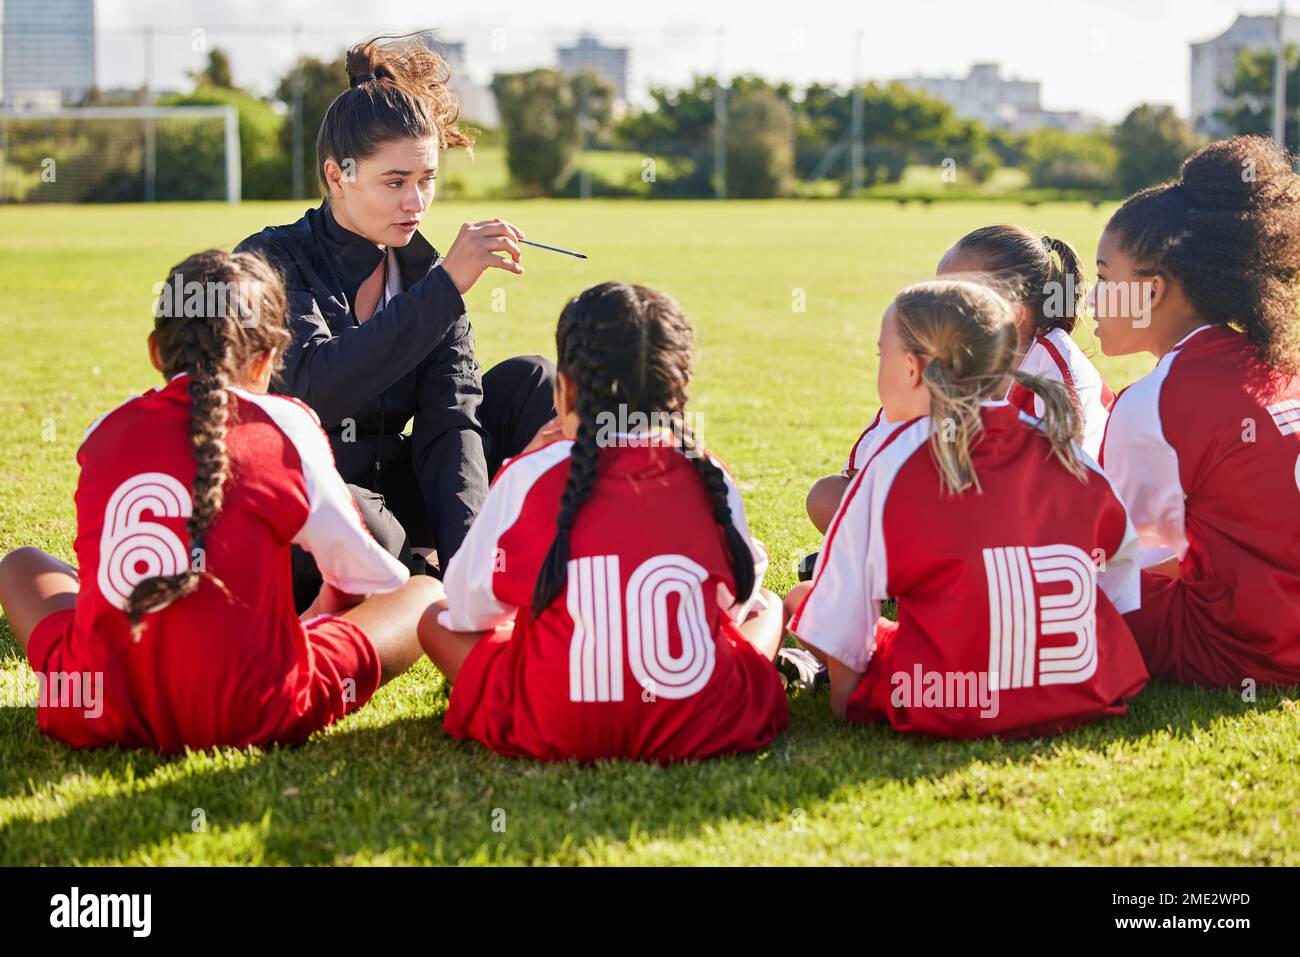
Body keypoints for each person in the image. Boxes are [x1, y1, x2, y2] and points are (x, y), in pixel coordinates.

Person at [0, 249, 442, 752]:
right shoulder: (287, 425)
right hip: (252, 710)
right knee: (422, 594)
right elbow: (365, 580)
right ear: (268, 359)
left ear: (155, 352)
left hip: (95, 706)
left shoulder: (104, 430)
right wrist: (306, 626)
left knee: (20, 565)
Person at [234, 34, 555, 609]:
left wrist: (469, 571)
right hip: (309, 496)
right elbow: (312, 390)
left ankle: (515, 562)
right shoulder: (271, 260)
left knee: (532, 382)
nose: (416, 202)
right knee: (366, 533)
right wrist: (443, 291)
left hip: (396, 487)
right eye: (395, 182)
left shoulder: (423, 269)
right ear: (338, 175)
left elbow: (450, 423)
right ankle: (407, 571)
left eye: (427, 179)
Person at [417, 282, 790, 761]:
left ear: (566, 389)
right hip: (702, 721)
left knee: (432, 618)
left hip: (559, 724)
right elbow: (736, 604)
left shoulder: (530, 475)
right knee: (769, 608)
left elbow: (467, 610)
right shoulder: (706, 473)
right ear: (677, 392)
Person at [786, 279, 1148, 738]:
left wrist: (849, 702)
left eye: (882, 355)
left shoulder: (896, 463)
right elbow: (1118, 568)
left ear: (913, 369)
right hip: (1086, 687)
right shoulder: (1063, 447)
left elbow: (841, 613)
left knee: (803, 600)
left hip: (953, 700)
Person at [1095, 135, 1300, 687]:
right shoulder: (1282, 367)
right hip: (1284, 622)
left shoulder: (1155, 402)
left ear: (1153, 291)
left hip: (1243, 648)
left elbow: (1113, 550)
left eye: (1104, 279)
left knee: (1055, 586)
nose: (1090, 300)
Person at [805, 225, 1113, 540]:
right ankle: (910, 568)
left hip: (1044, 521)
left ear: (1016, 315)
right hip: (959, 512)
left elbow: (1059, 486)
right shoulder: (944, 357)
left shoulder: (1054, 365)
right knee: (828, 496)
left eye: (957, 298)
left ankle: (919, 570)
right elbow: (867, 469)